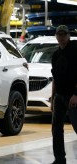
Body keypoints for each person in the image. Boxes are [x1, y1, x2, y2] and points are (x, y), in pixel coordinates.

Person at [51, 25, 77, 164]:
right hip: (59, 96)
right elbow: (55, 78)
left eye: (64, 34)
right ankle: (59, 159)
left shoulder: (75, 50)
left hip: (72, 96)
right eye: (59, 34)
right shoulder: (55, 55)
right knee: (56, 129)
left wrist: (76, 94)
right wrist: (52, 98)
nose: (61, 37)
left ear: (68, 35)